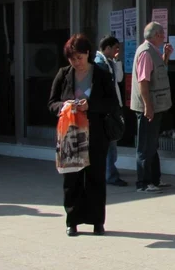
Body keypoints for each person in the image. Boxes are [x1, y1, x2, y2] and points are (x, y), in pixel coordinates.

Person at [48, 34, 118, 236]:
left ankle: (97, 221)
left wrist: (91, 105)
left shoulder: (101, 74)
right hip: (70, 133)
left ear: (88, 54)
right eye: (72, 58)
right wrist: (64, 106)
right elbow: (51, 102)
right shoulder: (64, 74)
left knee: (96, 176)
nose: (76, 62)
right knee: (72, 178)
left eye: (79, 57)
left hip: (96, 131)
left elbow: (112, 103)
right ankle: (72, 220)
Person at [130, 22, 173, 193]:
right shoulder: (146, 53)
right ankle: (143, 182)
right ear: (155, 35)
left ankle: (155, 179)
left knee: (152, 145)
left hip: (155, 106)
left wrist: (166, 56)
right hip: (148, 108)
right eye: (162, 34)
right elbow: (144, 81)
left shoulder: (153, 52)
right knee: (145, 146)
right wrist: (148, 106)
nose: (163, 36)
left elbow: (157, 72)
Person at [94, 35, 127, 187]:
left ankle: (108, 172)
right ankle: (110, 175)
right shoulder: (100, 63)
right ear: (107, 48)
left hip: (113, 106)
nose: (117, 51)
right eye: (115, 48)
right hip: (107, 109)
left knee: (111, 141)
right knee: (110, 142)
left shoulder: (109, 62)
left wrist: (117, 61)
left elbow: (119, 79)